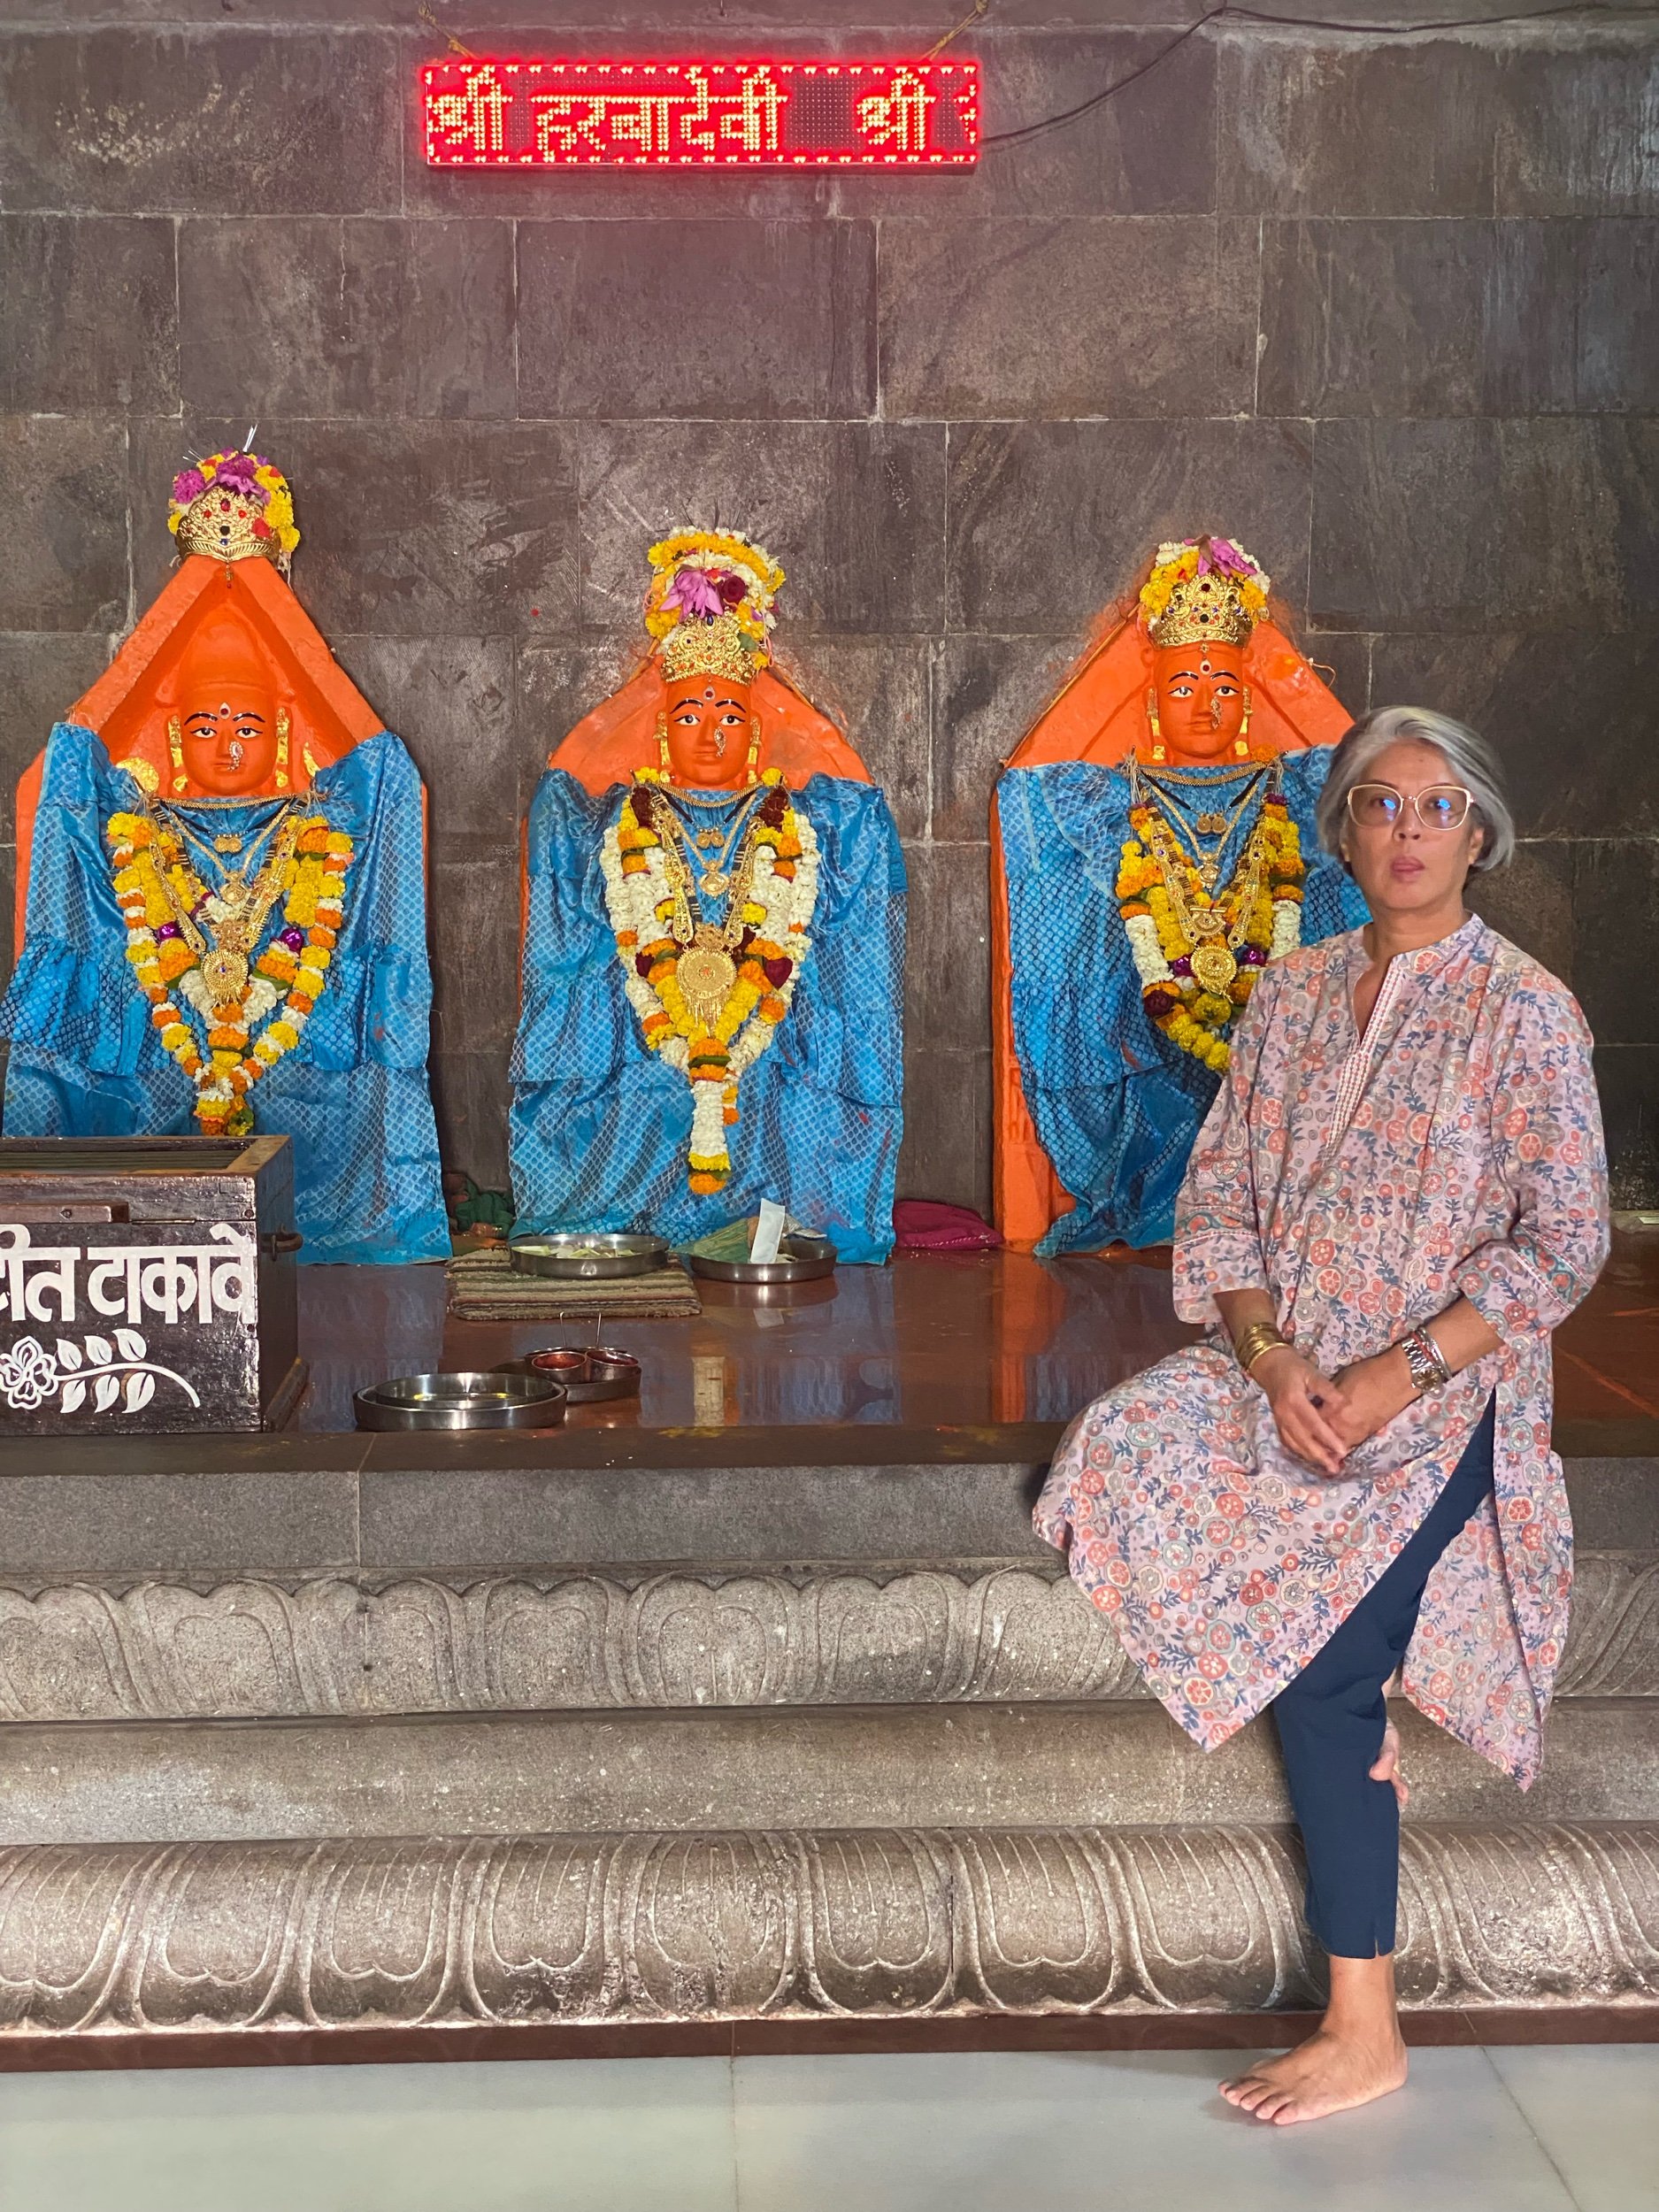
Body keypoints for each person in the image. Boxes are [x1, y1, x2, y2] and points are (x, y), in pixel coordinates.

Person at [1034, 705, 1609, 2123]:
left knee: (1323, 1653)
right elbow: (1217, 1201)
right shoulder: (1288, 996)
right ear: (1343, 829)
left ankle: (1364, 2019)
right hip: (1287, 1368)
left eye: (1434, 808)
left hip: (1438, 1392)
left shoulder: (1521, 1009)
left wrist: (1391, 1374)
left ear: (1477, 834)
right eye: (1377, 806)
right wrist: (1274, 1357)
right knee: (1111, 1446)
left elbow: (1563, 1245)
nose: (1404, 834)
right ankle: (1354, 1605)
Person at [0, 450, 449, 1263]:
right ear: (173, 738)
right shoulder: (141, 827)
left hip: (290, 1037)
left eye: (247, 727)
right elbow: (71, 766)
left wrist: (254, 580)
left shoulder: (315, 823)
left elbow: (381, 770)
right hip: (170, 1036)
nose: (228, 746)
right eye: (205, 727)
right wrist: (210, 571)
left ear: (280, 739)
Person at [510, 528, 905, 1263]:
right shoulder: (621, 817)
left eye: (729, 716)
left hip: (758, 1004)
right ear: (660, 733)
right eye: (689, 715)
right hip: (654, 1005)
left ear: (755, 734)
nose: (710, 736)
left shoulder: (795, 819)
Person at [994, 536, 1367, 1254]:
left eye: (1225, 687)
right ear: (1154, 703)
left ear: (1252, 702)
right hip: (1156, 1007)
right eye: (1183, 688)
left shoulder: (1295, 791)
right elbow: (1028, 797)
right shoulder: (1110, 800)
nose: (1204, 706)